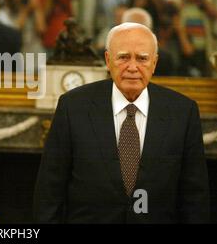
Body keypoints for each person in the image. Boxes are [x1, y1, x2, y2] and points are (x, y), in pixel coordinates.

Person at [34, 22, 210, 223]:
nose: (132, 67)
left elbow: (195, 199)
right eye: (124, 57)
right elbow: (49, 192)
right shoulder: (73, 107)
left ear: (154, 63)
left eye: (142, 58)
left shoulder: (183, 112)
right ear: (108, 60)